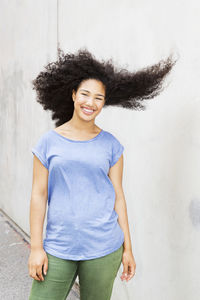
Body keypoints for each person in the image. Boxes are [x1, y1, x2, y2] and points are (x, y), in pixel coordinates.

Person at [28, 48, 176, 300]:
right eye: (85, 94)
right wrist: (36, 248)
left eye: (99, 97)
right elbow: (38, 196)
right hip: (59, 246)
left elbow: (118, 197)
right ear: (73, 95)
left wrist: (128, 248)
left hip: (104, 247)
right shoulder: (48, 143)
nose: (90, 102)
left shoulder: (111, 145)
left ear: (104, 102)